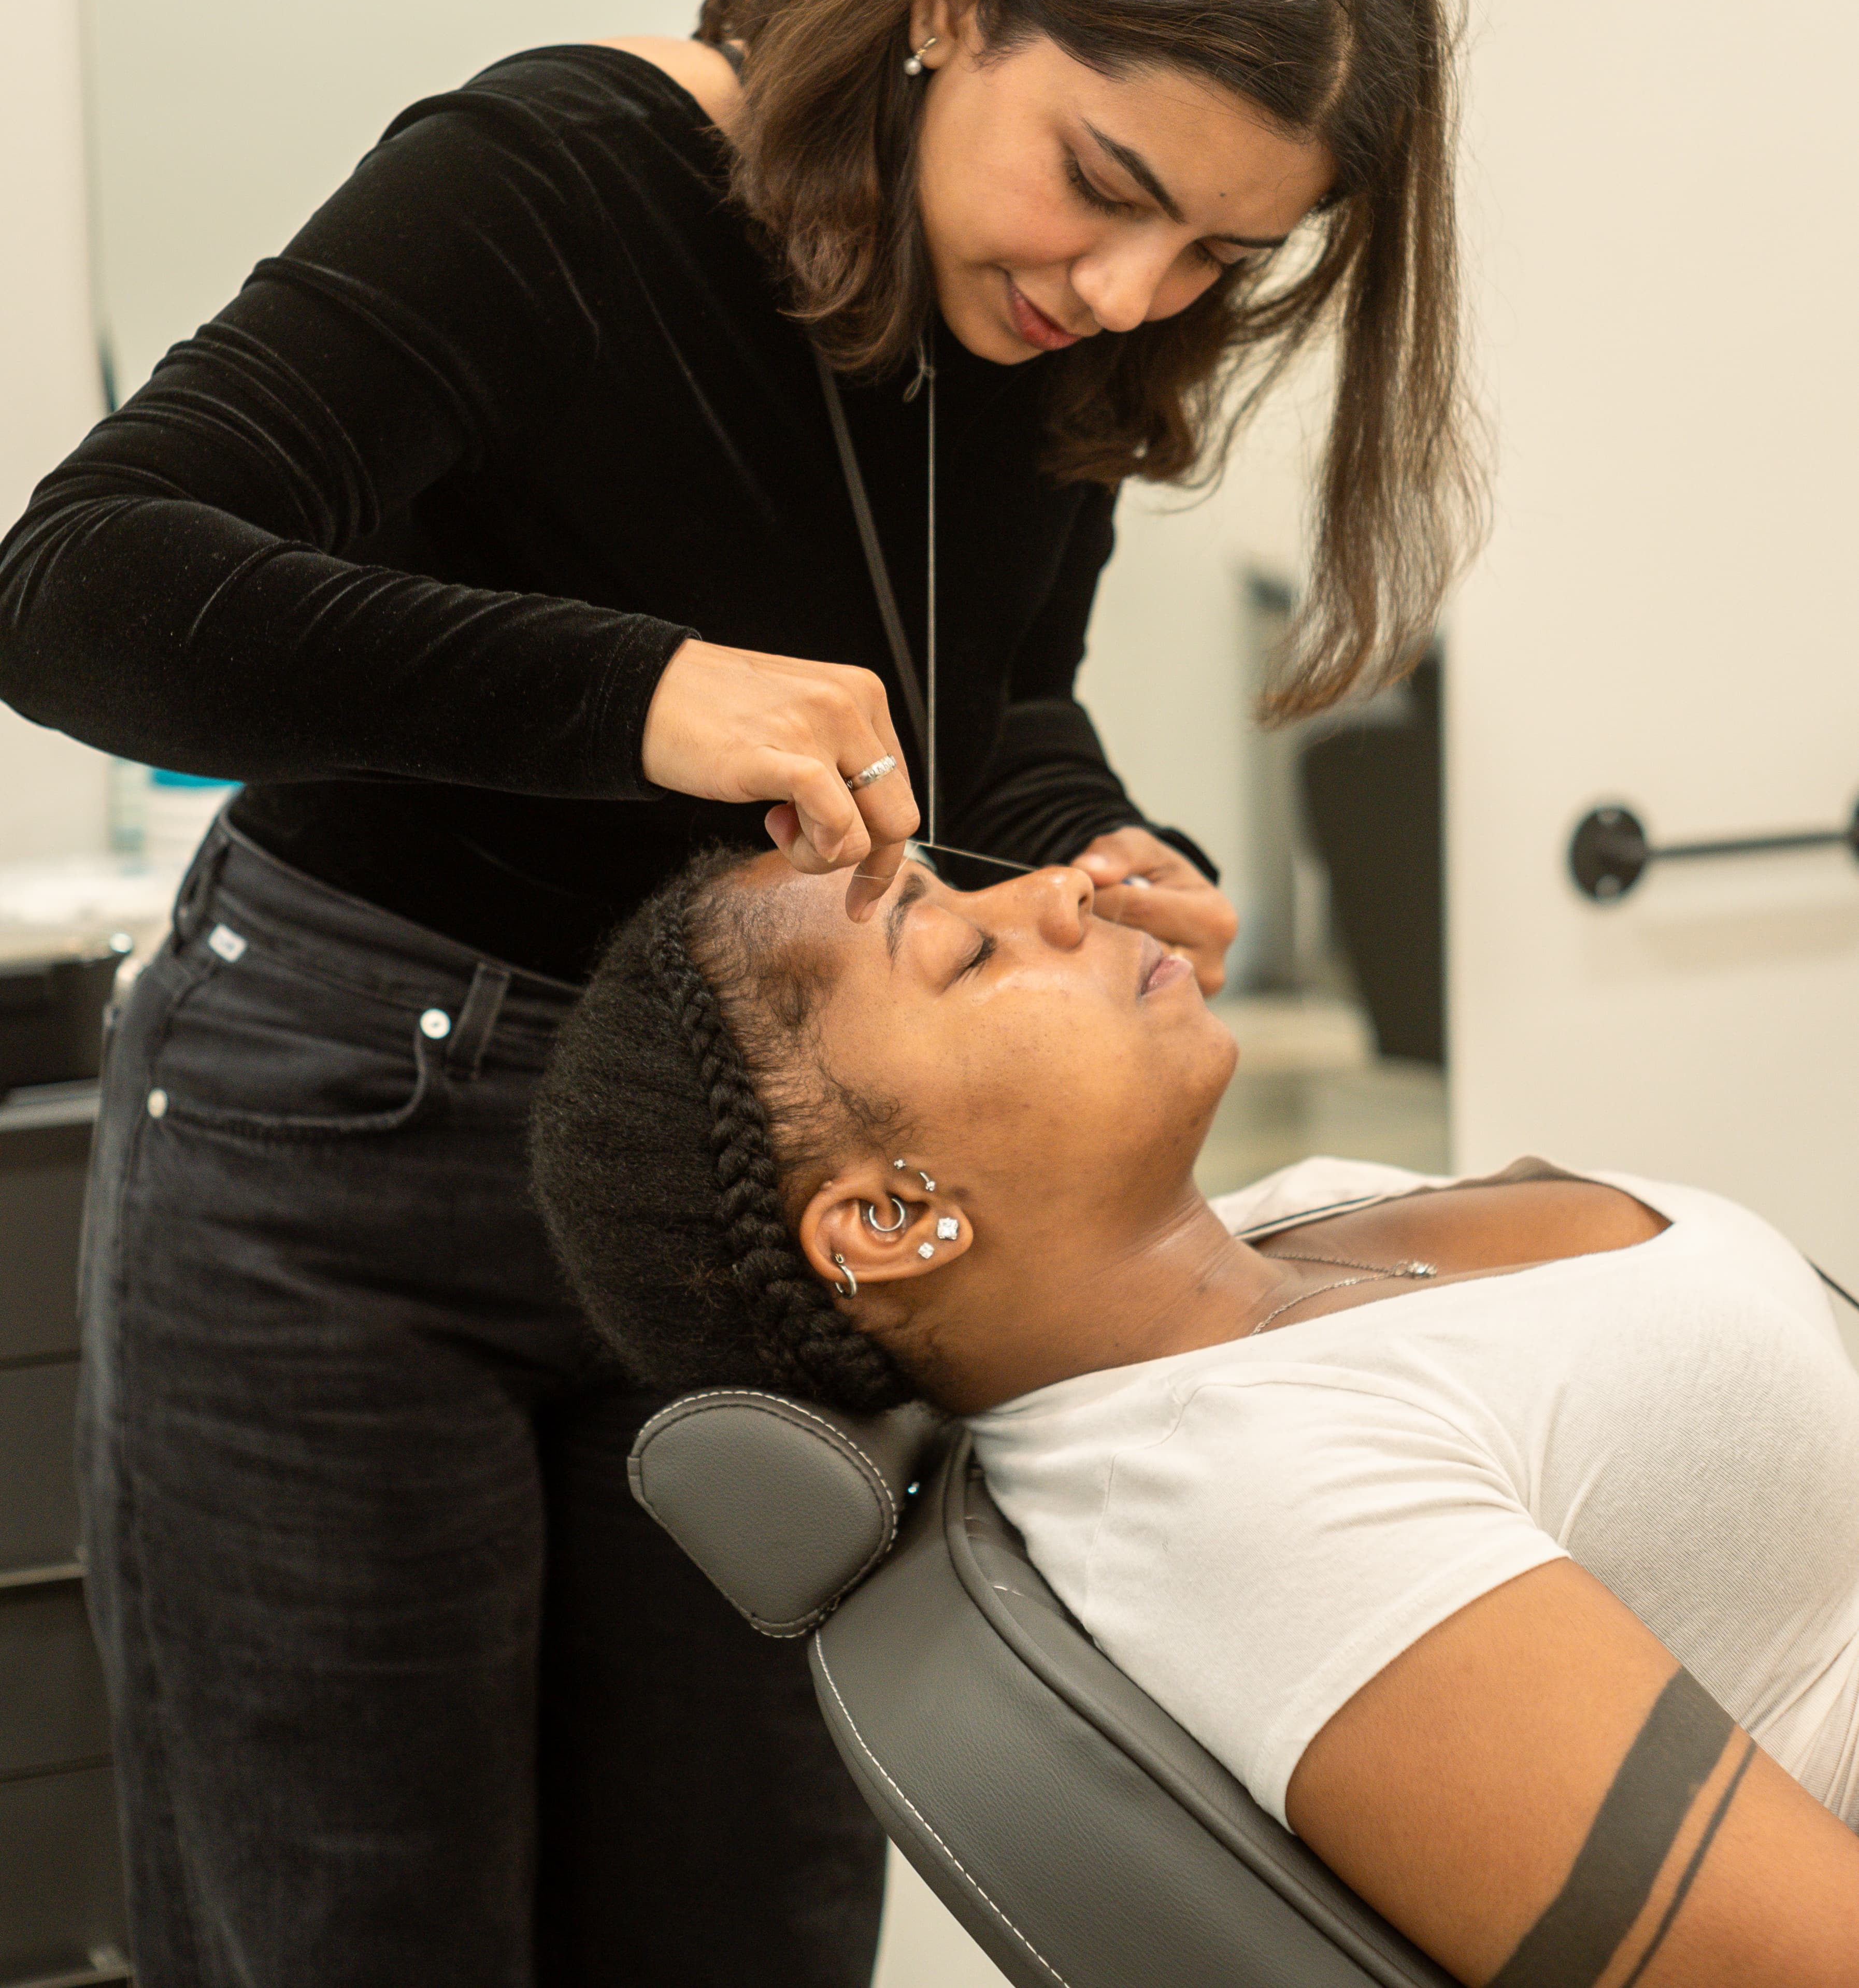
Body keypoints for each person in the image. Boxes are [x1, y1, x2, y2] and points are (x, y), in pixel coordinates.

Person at [0, 0, 1476, 1987]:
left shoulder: (1048, 316)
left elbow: (966, 693)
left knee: (742, 1925)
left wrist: (1093, 834)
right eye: (1105, 180)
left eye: (1220, 250)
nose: (1130, 286)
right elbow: (80, 587)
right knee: (348, 1927)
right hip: (343, 1154)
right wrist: (644, 689)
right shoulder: (566, 176)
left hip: (763, 1192)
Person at [532, 844, 1859, 1988]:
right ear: (890, 1220)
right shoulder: (1260, 1509)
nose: (1061, 887)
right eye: (962, 953)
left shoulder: (1285, 1220)